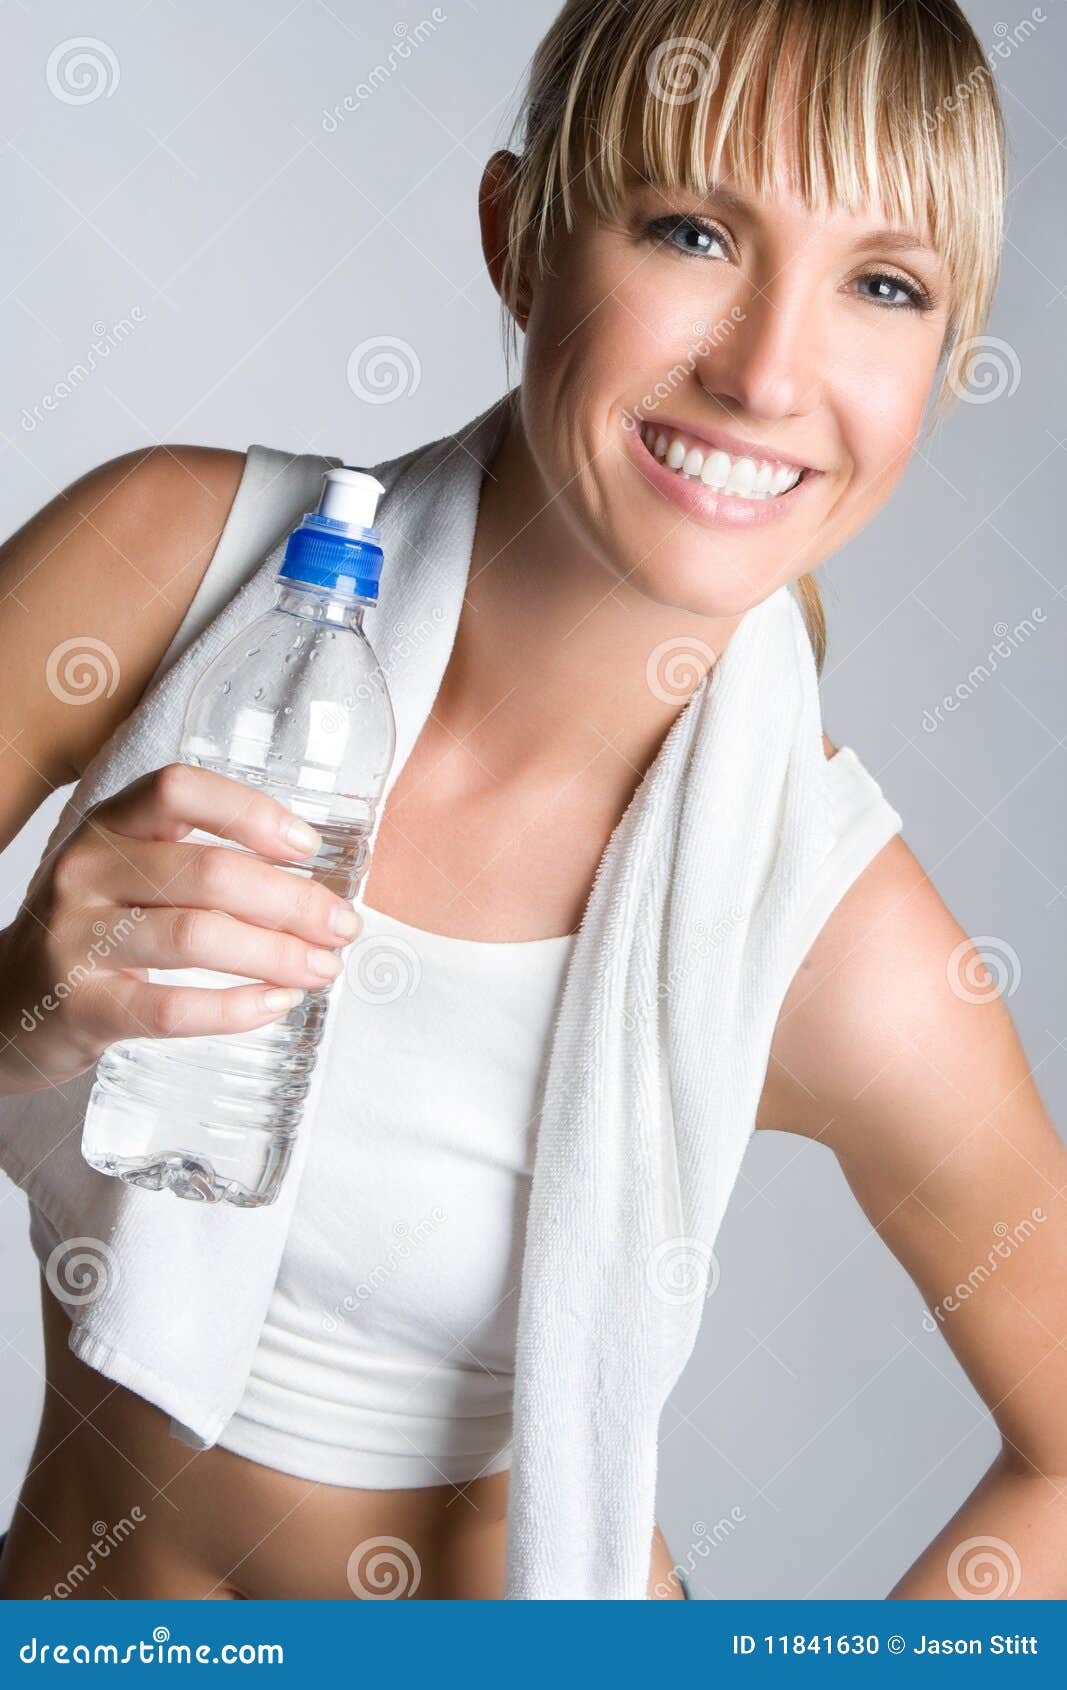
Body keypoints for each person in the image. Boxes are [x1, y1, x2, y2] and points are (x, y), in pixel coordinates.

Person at [1, 0, 1063, 1601]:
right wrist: (18, 1008)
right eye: (693, 230)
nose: (768, 371)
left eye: (884, 285)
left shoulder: (835, 933)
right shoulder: (171, 568)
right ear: (519, 237)